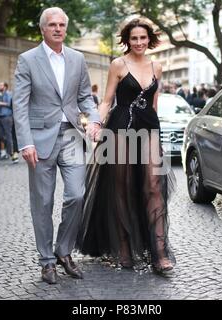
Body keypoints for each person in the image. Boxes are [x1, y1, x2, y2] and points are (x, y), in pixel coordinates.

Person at [75, 18, 176, 276]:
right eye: (134, 38)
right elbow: (107, 100)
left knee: (154, 185)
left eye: (143, 38)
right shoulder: (118, 64)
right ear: (127, 40)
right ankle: (123, 247)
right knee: (121, 187)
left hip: (150, 127)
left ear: (149, 39)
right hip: (120, 128)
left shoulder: (157, 66)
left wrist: (156, 131)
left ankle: (160, 252)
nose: (139, 43)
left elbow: (154, 103)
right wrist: (96, 124)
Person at [13, 7, 100, 285]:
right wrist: (25, 142)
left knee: (76, 194)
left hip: (73, 135)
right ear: (43, 29)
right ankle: (46, 260)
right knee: (43, 202)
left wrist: (93, 121)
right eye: (52, 24)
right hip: (39, 139)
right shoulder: (27, 60)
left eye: (62, 24)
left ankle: (63, 250)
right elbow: (20, 104)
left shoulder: (77, 58)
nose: (58, 29)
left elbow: (86, 97)